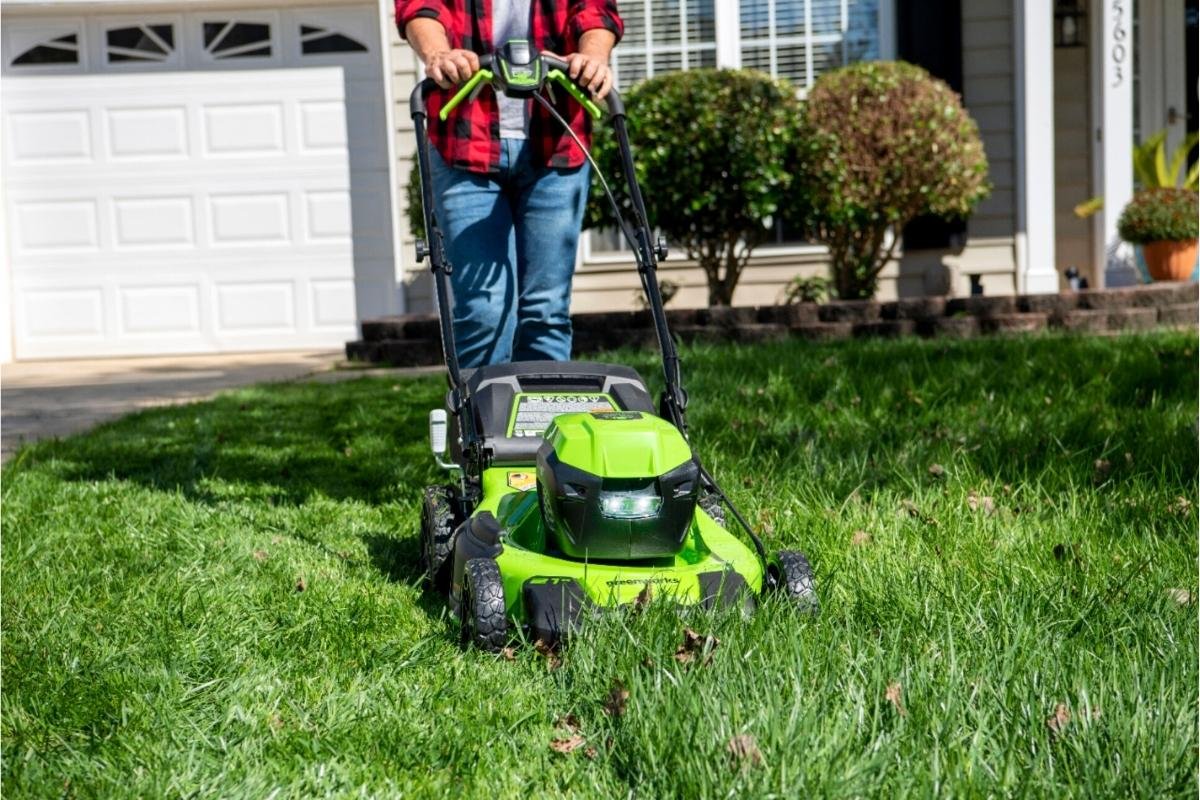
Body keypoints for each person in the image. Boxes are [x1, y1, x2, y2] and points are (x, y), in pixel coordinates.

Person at [396, 0, 623, 367]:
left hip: (556, 138)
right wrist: (438, 53)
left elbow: (594, 10)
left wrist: (593, 56)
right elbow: (422, 7)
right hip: (466, 140)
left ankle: (547, 418)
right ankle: (482, 420)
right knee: (484, 312)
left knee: (545, 312)